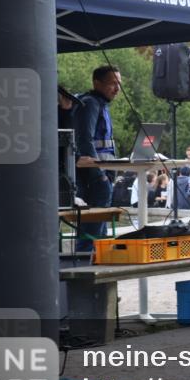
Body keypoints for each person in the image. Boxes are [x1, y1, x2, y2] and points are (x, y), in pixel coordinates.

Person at [73, 65, 122, 252]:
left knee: (98, 228)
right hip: (94, 177)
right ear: (97, 83)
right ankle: (87, 261)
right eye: (112, 83)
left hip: (102, 174)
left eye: (119, 84)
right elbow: (84, 139)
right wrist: (98, 174)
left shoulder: (101, 104)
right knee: (93, 230)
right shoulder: (91, 103)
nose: (117, 88)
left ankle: (94, 258)